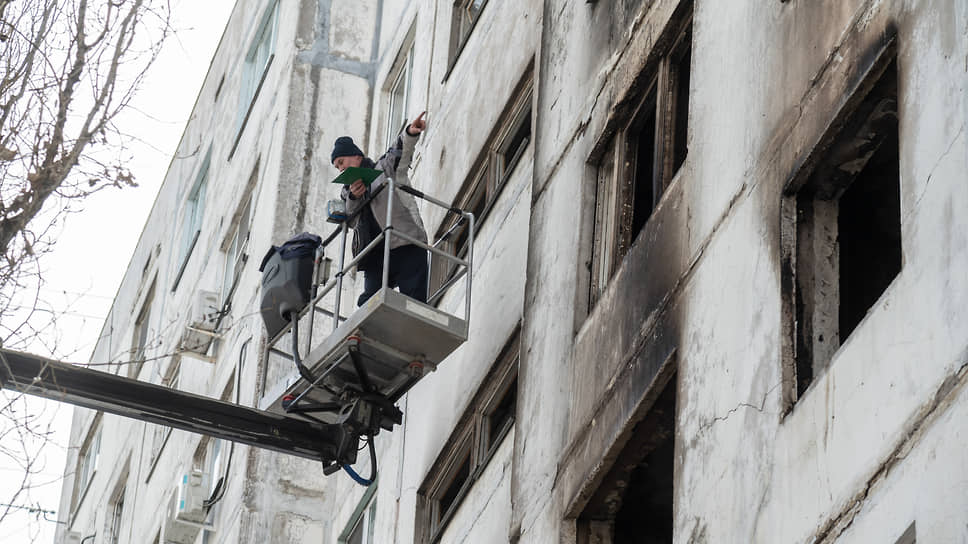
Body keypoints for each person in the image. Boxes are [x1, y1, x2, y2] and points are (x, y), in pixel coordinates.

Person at [333, 112, 429, 306]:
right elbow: (350, 219)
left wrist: (411, 132)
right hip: (375, 254)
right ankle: (360, 335)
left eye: (341, 162)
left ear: (357, 156)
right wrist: (354, 196)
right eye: (337, 167)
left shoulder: (384, 168)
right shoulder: (347, 193)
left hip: (405, 242)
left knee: (414, 302)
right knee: (369, 304)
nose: (340, 169)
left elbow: (400, 151)